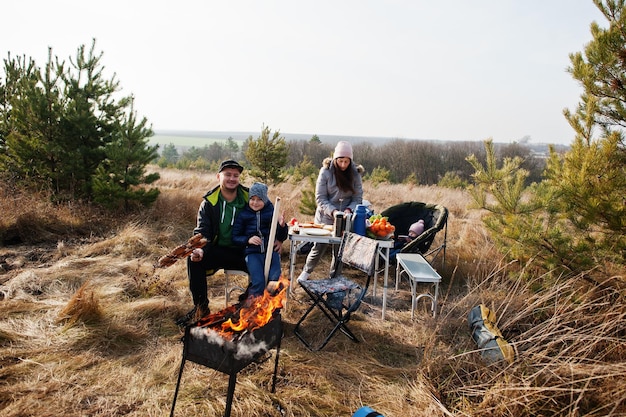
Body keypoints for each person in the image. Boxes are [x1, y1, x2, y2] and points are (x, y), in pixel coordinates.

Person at [177, 159, 249, 325]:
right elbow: (203, 232)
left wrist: (279, 237)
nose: (232, 178)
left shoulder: (249, 199)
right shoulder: (209, 203)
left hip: (242, 251)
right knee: (193, 260)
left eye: (235, 175)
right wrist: (200, 250)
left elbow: (267, 218)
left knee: (262, 263)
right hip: (217, 249)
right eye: (228, 174)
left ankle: (245, 307)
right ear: (218, 176)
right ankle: (201, 308)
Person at [297, 141, 364, 283]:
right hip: (325, 216)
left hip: (345, 217)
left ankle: (334, 278)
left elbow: (357, 198)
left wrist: (348, 210)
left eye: (346, 161)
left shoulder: (355, 173)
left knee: (339, 250)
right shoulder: (326, 171)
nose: (344, 165)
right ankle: (305, 273)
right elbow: (320, 198)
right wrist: (333, 212)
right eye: (341, 161)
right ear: (335, 159)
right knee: (318, 247)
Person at [232, 182, 288, 298]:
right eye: (252, 199)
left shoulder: (272, 212)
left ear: (265, 200)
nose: (255, 203)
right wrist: (248, 239)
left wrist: (282, 226)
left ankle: (273, 311)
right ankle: (253, 309)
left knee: (275, 282)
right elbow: (235, 237)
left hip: (271, 252)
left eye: (259, 199)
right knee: (258, 282)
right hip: (253, 254)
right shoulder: (244, 214)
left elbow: (281, 236)